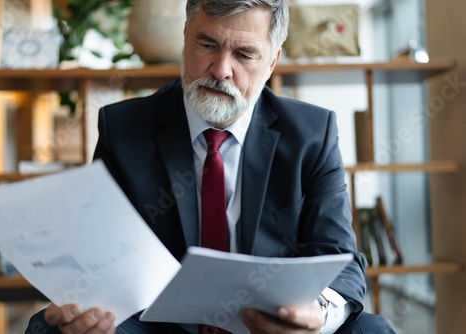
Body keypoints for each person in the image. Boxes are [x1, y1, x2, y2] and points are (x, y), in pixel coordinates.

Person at [26, 0, 396, 333]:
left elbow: (339, 258)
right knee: (48, 328)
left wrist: (314, 315)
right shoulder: (123, 129)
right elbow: (99, 252)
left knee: (373, 330)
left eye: (245, 54)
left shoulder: (312, 134)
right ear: (185, 38)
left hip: (270, 325)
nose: (221, 70)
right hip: (158, 325)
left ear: (272, 61)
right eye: (207, 45)